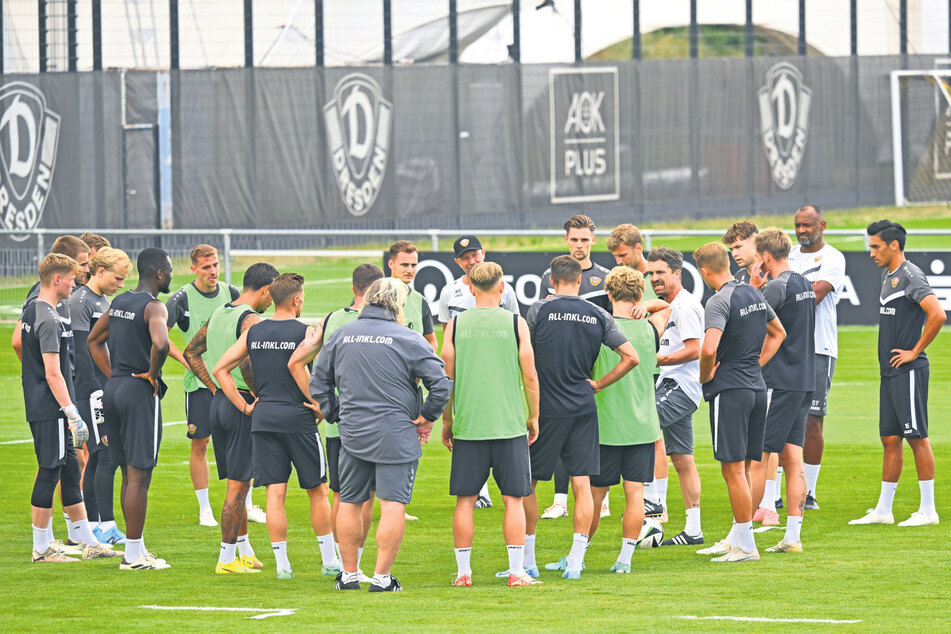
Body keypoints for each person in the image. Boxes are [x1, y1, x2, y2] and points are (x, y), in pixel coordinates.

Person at [312, 278, 452, 592]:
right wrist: (427, 416)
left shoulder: (342, 334)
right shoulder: (408, 337)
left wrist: (336, 414)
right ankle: (381, 577)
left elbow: (318, 381)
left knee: (349, 501)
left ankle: (348, 575)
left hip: (353, 433)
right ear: (396, 304)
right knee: (392, 505)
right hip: (396, 434)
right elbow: (441, 384)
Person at [213, 273, 341, 579]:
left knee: (275, 493)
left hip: (264, 417)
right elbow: (304, 370)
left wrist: (245, 406)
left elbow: (220, 369)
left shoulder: (255, 331)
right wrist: (319, 404)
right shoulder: (306, 331)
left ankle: (283, 566)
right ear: (297, 300)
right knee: (317, 491)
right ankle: (329, 560)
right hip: (298, 418)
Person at [526, 255, 637, 580]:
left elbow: (525, 355)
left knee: (529, 485)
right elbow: (631, 357)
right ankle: (575, 561)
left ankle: (528, 560)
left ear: (551, 281)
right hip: (582, 407)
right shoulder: (597, 313)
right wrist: (599, 384)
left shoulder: (538, 310)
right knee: (582, 484)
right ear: (579, 280)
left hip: (547, 408)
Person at [440, 262, 541, 588]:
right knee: (513, 499)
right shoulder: (516, 323)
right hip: (509, 424)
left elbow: (446, 378)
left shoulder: (454, 325)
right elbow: (530, 375)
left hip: (469, 425)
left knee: (465, 500)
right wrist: (533, 416)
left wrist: (447, 419)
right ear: (502, 288)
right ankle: (516, 572)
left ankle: (463, 573)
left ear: (470, 288)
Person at [288, 263, 384, 579]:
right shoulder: (385, 321)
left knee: (341, 494)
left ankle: (344, 567)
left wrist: (321, 403)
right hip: (373, 422)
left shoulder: (330, 320)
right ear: (376, 290)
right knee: (365, 496)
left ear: (353, 287)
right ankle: (353, 564)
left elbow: (296, 362)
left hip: (338, 423)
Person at [692, 242, 785, 562]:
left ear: (705, 271)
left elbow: (708, 349)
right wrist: (755, 365)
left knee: (732, 471)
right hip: (757, 389)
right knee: (750, 466)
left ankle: (745, 545)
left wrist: (705, 377)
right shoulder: (754, 294)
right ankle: (739, 537)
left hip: (730, 391)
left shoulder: (718, 301)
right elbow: (778, 333)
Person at [23, 253, 118, 562]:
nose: (75, 283)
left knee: (69, 469)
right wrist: (72, 412)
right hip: (50, 409)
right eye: (72, 278)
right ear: (57, 279)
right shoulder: (48, 318)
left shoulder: (37, 311)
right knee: (50, 471)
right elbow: (53, 372)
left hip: (50, 406)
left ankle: (86, 539)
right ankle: (41, 547)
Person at [850, 220, 945, 527]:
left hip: (910, 371)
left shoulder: (911, 275)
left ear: (894, 246)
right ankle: (884, 510)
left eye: (875, 246)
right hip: (890, 372)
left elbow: (938, 314)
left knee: (917, 436)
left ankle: (928, 511)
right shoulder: (887, 274)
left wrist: (914, 351)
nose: (870, 252)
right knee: (890, 438)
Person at [184, 263, 277, 574]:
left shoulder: (222, 312)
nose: (271, 302)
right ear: (265, 290)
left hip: (220, 403)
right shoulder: (251, 319)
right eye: (271, 295)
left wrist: (213, 388)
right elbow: (249, 364)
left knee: (242, 481)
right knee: (237, 487)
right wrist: (259, 396)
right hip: (241, 404)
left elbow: (191, 351)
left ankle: (244, 551)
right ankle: (225, 559)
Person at [88, 247, 173, 570]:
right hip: (139, 393)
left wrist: (114, 375)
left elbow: (94, 341)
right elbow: (161, 343)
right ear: (159, 274)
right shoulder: (154, 307)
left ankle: (134, 549)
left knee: (126, 472)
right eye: (170, 271)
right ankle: (134, 556)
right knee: (140, 475)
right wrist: (152, 373)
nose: (171, 276)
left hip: (114, 390)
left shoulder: (120, 301)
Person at [585, 266, 668, 574]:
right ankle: (625, 559)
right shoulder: (650, 328)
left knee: (593, 497)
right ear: (639, 295)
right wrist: (648, 305)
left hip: (605, 425)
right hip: (643, 425)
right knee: (635, 495)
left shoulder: (600, 330)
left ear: (609, 294)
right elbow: (667, 307)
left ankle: (578, 554)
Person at [438, 235, 520, 510]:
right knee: (469, 423)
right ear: (458, 262)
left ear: (483, 253)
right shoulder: (449, 292)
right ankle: (479, 489)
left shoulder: (504, 291)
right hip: (467, 373)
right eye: (465, 257)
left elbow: (516, 334)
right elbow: (447, 339)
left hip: (497, 372)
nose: (472, 260)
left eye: (475, 254)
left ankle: (485, 489)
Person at [539, 215, 612, 521]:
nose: (580, 245)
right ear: (565, 240)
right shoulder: (550, 275)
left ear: (593, 240)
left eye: (585, 239)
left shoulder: (606, 276)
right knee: (560, 430)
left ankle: (602, 497)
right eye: (574, 239)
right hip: (562, 366)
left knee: (593, 430)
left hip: (595, 362)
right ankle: (559, 499)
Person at [749, 229, 816, 553]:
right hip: (804, 379)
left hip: (778, 380)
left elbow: (750, 322)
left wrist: (753, 287)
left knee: (759, 457)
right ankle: (792, 537)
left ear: (764, 256)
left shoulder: (776, 287)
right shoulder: (803, 283)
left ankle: (741, 536)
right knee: (793, 457)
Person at [165, 244, 241, 527]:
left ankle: (245, 502)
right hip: (199, 385)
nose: (213, 271)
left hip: (232, 381)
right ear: (193, 269)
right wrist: (187, 362)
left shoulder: (230, 293)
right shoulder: (181, 298)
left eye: (216, 265)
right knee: (201, 444)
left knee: (240, 441)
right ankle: (205, 509)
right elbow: (160, 333)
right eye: (206, 267)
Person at [69, 247, 132, 546]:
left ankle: (93, 525)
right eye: (117, 279)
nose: (120, 285)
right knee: (104, 454)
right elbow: (82, 350)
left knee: (98, 456)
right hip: (90, 390)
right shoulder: (81, 300)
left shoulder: (102, 300)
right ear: (101, 271)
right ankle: (104, 525)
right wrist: (96, 389)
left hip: (105, 386)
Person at [646, 247, 706, 546]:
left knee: (644, 427)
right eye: (651, 273)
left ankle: (653, 503)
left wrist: (655, 360)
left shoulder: (685, 306)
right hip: (676, 386)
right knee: (683, 459)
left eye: (661, 273)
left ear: (677, 274)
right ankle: (694, 530)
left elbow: (696, 349)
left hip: (680, 388)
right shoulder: (673, 305)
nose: (655, 278)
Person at [723, 221, 783, 512]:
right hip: (748, 369)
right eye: (730, 248)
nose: (734, 252)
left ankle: (768, 505)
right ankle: (755, 507)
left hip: (768, 366)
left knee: (765, 443)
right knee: (751, 445)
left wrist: (755, 363)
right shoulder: (737, 277)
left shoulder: (772, 275)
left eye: (738, 246)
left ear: (755, 242)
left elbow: (778, 328)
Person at [789, 204, 846, 510]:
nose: (802, 231)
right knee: (783, 418)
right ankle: (781, 491)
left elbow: (815, 295)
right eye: (798, 225)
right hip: (787, 348)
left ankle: (808, 491)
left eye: (808, 225)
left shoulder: (834, 258)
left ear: (822, 224)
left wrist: (783, 293)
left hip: (818, 348)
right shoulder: (790, 256)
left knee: (813, 420)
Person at [387, 241, 438, 352]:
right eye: (404, 265)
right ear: (391, 264)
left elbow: (431, 341)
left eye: (414, 265)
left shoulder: (420, 300)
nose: (410, 270)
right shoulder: (375, 297)